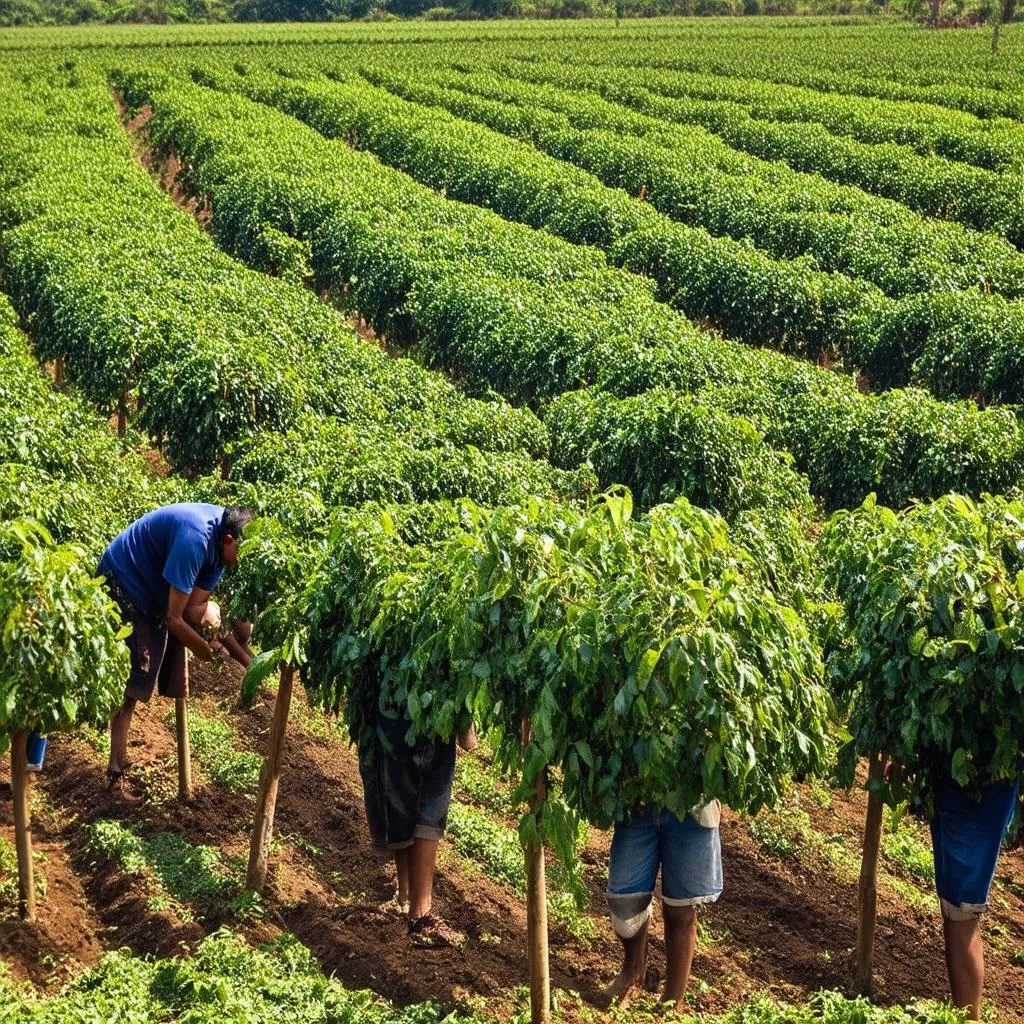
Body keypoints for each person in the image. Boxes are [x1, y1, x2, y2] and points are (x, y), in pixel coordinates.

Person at [98, 503, 253, 802]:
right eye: (241, 555)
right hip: (125, 584)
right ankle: (114, 776)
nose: (240, 564)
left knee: (138, 681)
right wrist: (205, 651)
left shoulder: (221, 551)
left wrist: (245, 658)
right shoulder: (195, 539)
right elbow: (175, 619)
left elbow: (195, 610)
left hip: (152, 593)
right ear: (230, 541)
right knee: (131, 684)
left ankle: (119, 760)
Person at [358, 711, 477, 947]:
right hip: (421, 706)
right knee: (428, 797)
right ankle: (417, 911)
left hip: (396, 705)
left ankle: (410, 900)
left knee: (402, 794)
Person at [603, 800, 723, 1010]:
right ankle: (634, 970)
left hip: (693, 804)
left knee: (680, 910)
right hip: (636, 799)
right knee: (624, 906)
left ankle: (672, 1000)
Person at [929, 764, 1020, 1020]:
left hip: (974, 790)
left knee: (961, 913)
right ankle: (966, 1014)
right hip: (965, 782)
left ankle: (968, 1017)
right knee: (956, 908)